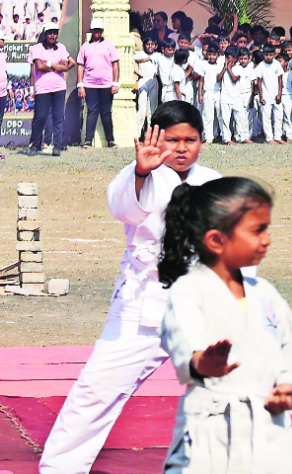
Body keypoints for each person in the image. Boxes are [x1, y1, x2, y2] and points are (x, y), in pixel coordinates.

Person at [37, 101, 220, 474]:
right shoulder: (141, 174)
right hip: (144, 304)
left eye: (191, 139)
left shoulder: (215, 184)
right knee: (96, 391)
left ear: (203, 140)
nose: (182, 148)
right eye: (172, 139)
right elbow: (124, 209)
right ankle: (60, 468)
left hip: (203, 308)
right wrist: (140, 171)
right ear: (154, 138)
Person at [154, 177, 292, 471]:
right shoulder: (188, 291)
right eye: (258, 230)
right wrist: (202, 362)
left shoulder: (265, 292)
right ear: (217, 240)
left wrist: (289, 384)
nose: (267, 239)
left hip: (271, 432)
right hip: (212, 430)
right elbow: (185, 345)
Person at [29, 25, 73, 156]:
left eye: (55, 33)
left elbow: (66, 66)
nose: (53, 36)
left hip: (59, 87)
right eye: (50, 33)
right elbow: (39, 66)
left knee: (58, 117)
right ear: (45, 34)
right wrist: (57, 66)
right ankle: (35, 145)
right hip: (42, 88)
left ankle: (57, 146)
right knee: (40, 117)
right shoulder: (36, 49)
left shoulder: (61, 48)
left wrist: (49, 64)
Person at [78, 19, 122, 148]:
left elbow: (115, 65)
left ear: (102, 31)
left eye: (99, 30)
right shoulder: (85, 46)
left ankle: (110, 140)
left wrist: (115, 83)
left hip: (106, 84)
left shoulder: (109, 45)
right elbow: (80, 66)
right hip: (90, 84)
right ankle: (88, 140)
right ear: (91, 30)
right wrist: (80, 85)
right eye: (95, 30)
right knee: (92, 111)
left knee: (106, 112)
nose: (97, 33)